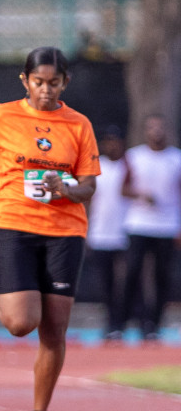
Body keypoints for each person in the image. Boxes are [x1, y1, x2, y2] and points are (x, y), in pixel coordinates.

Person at [0, 46, 100, 411]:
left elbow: (88, 186)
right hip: (14, 225)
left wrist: (65, 187)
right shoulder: (3, 116)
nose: (46, 90)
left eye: (54, 83)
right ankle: (20, 292)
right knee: (21, 323)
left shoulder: (78, 125)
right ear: (25, 81)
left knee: (55, 329)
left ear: (65, 83)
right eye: (39, 82)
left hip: (65, 232)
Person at [120, 114, 181, 341]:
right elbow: (123, 189)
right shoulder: (134, 156)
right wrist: (141, 194)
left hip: (167, 226)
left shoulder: (176, 158)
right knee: (132, 272)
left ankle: (153, 324)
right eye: (151, 128)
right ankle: (125, 320)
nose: (156, 132)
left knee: (162, 277)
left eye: (160, 127)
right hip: (139, 224)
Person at [84, 125, 129, 341]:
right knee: (106, 283)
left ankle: (124, 322)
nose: (112, 145)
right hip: (100, 234)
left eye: (116, 140)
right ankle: (111, 324)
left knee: (127, 282)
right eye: (108, 141)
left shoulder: (129, 166)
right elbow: (88, 200)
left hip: (126, 234)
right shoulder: (95, 167)